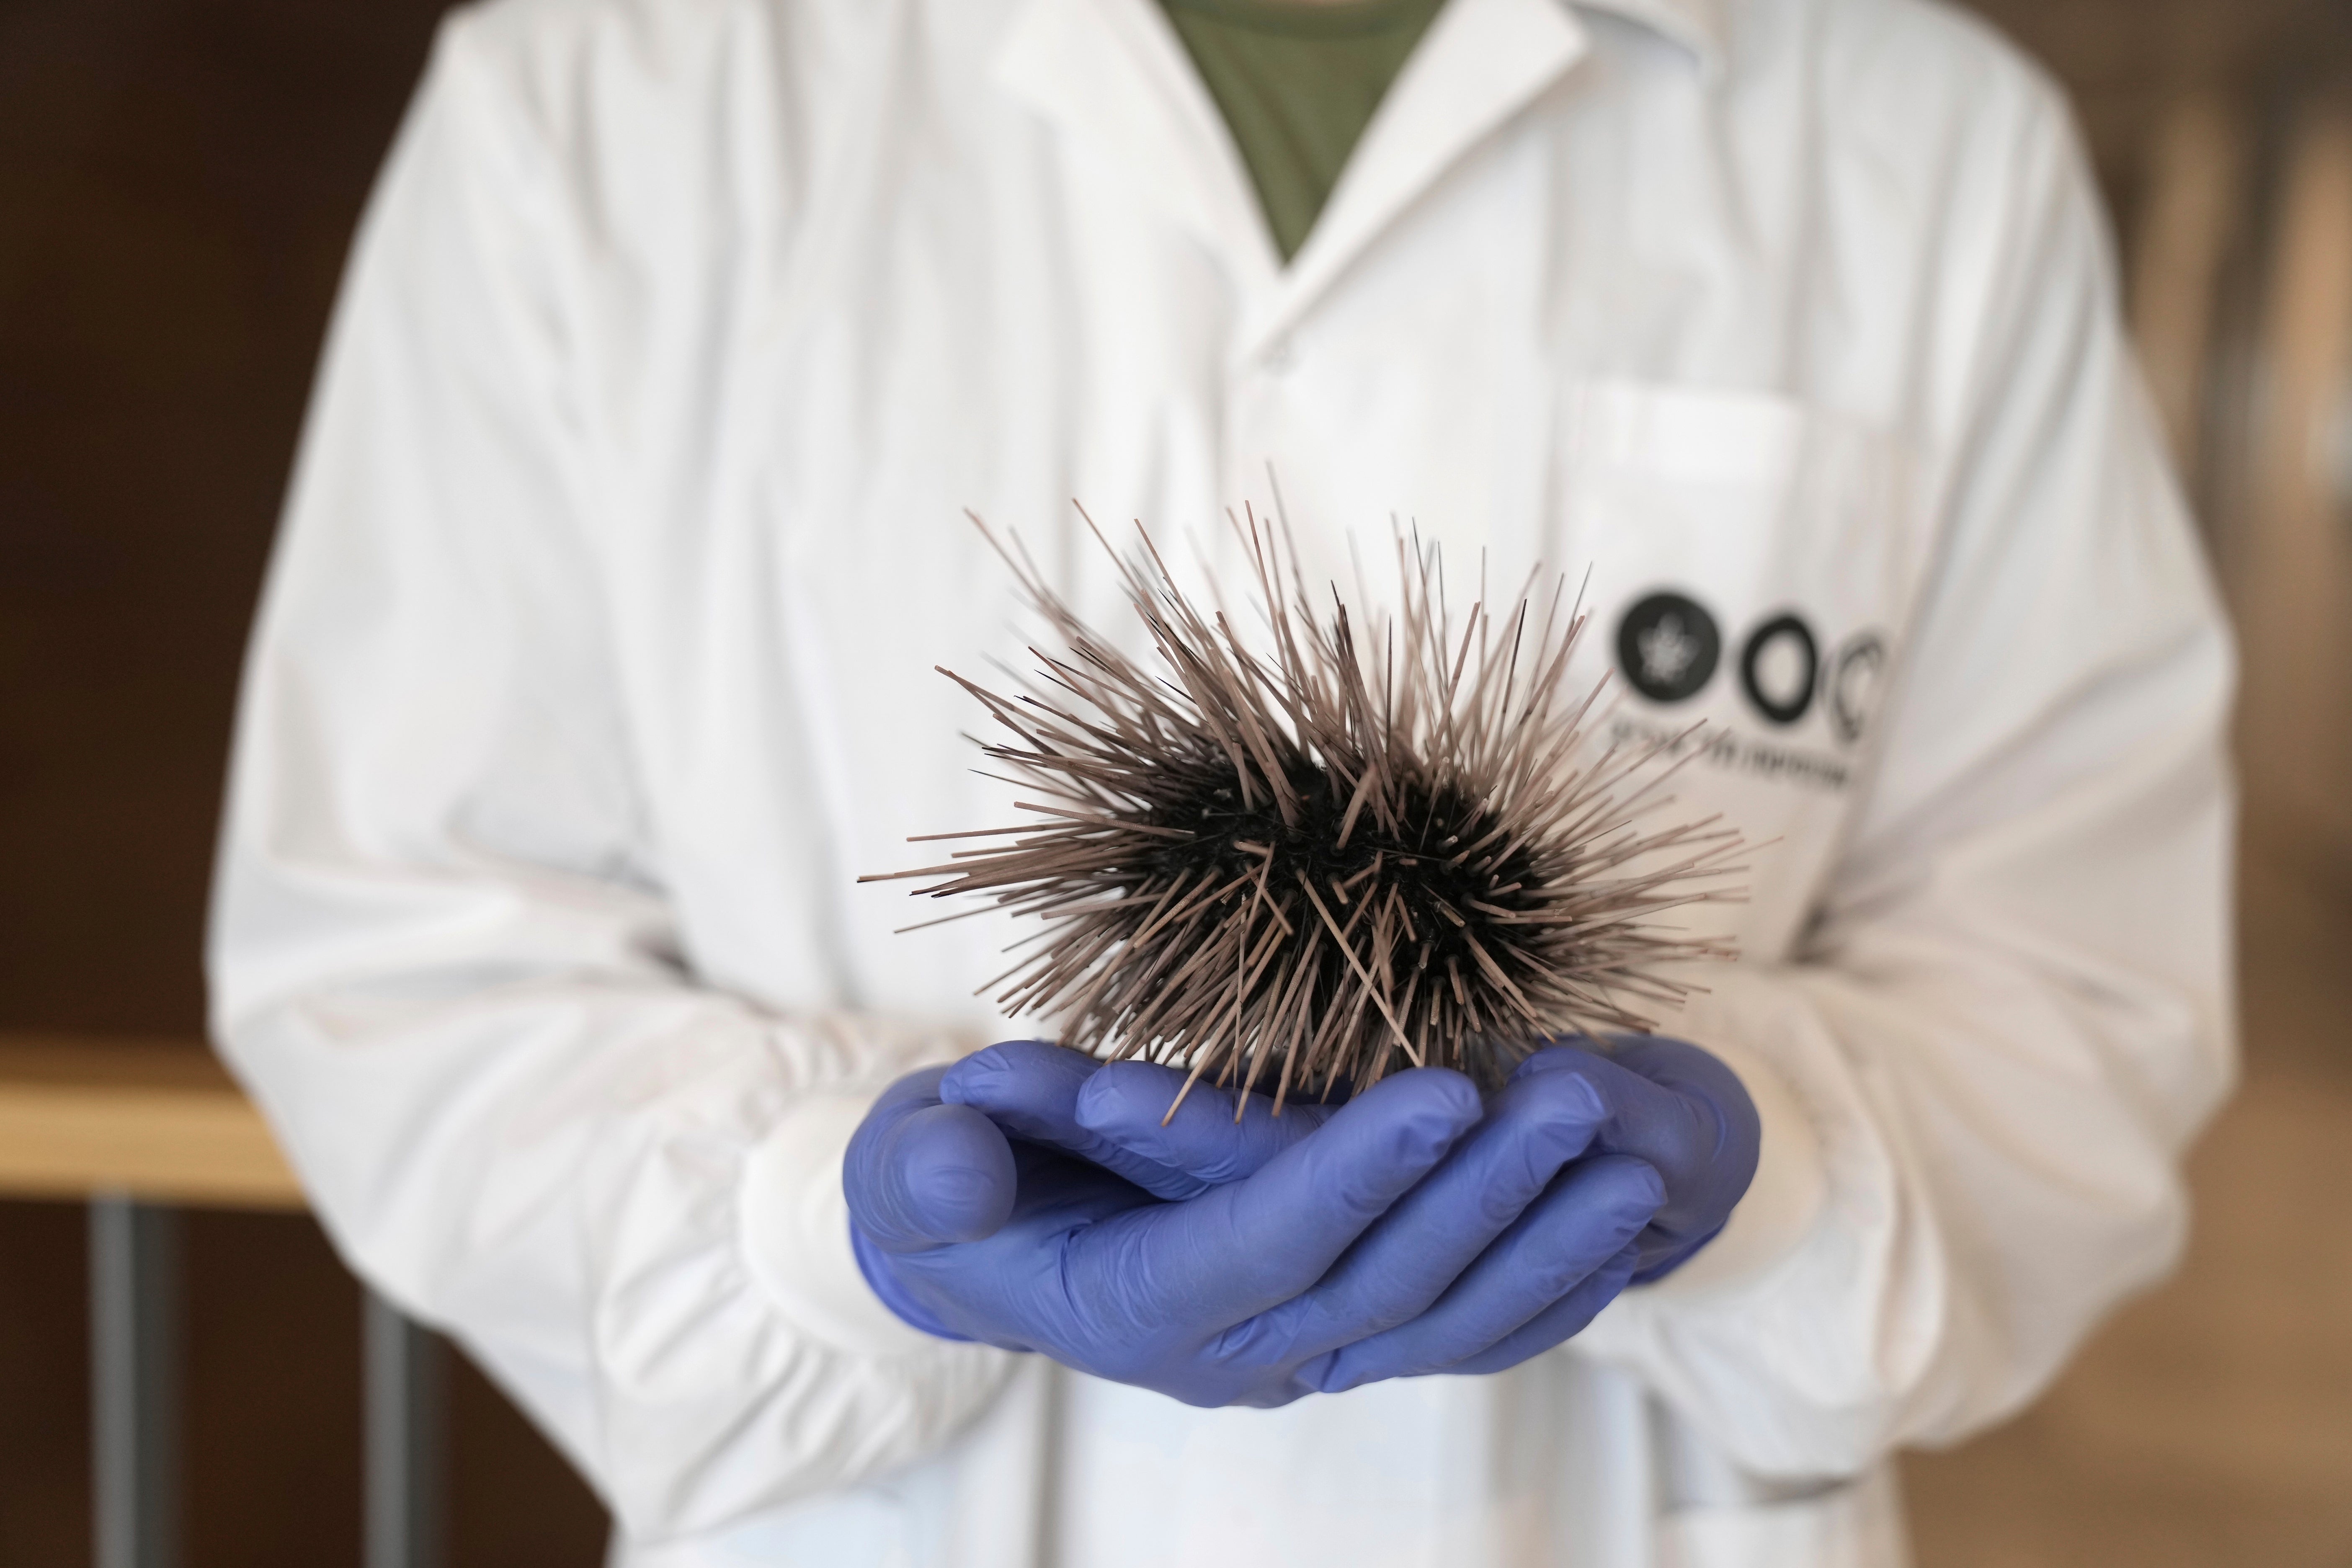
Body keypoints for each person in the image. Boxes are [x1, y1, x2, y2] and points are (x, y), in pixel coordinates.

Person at [205, 0, 2236, 1561]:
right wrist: (812, 1227)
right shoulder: (602, 95)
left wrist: (1769, 1164)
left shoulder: (1925, 146)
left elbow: (2079, 985)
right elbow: (400, 947)